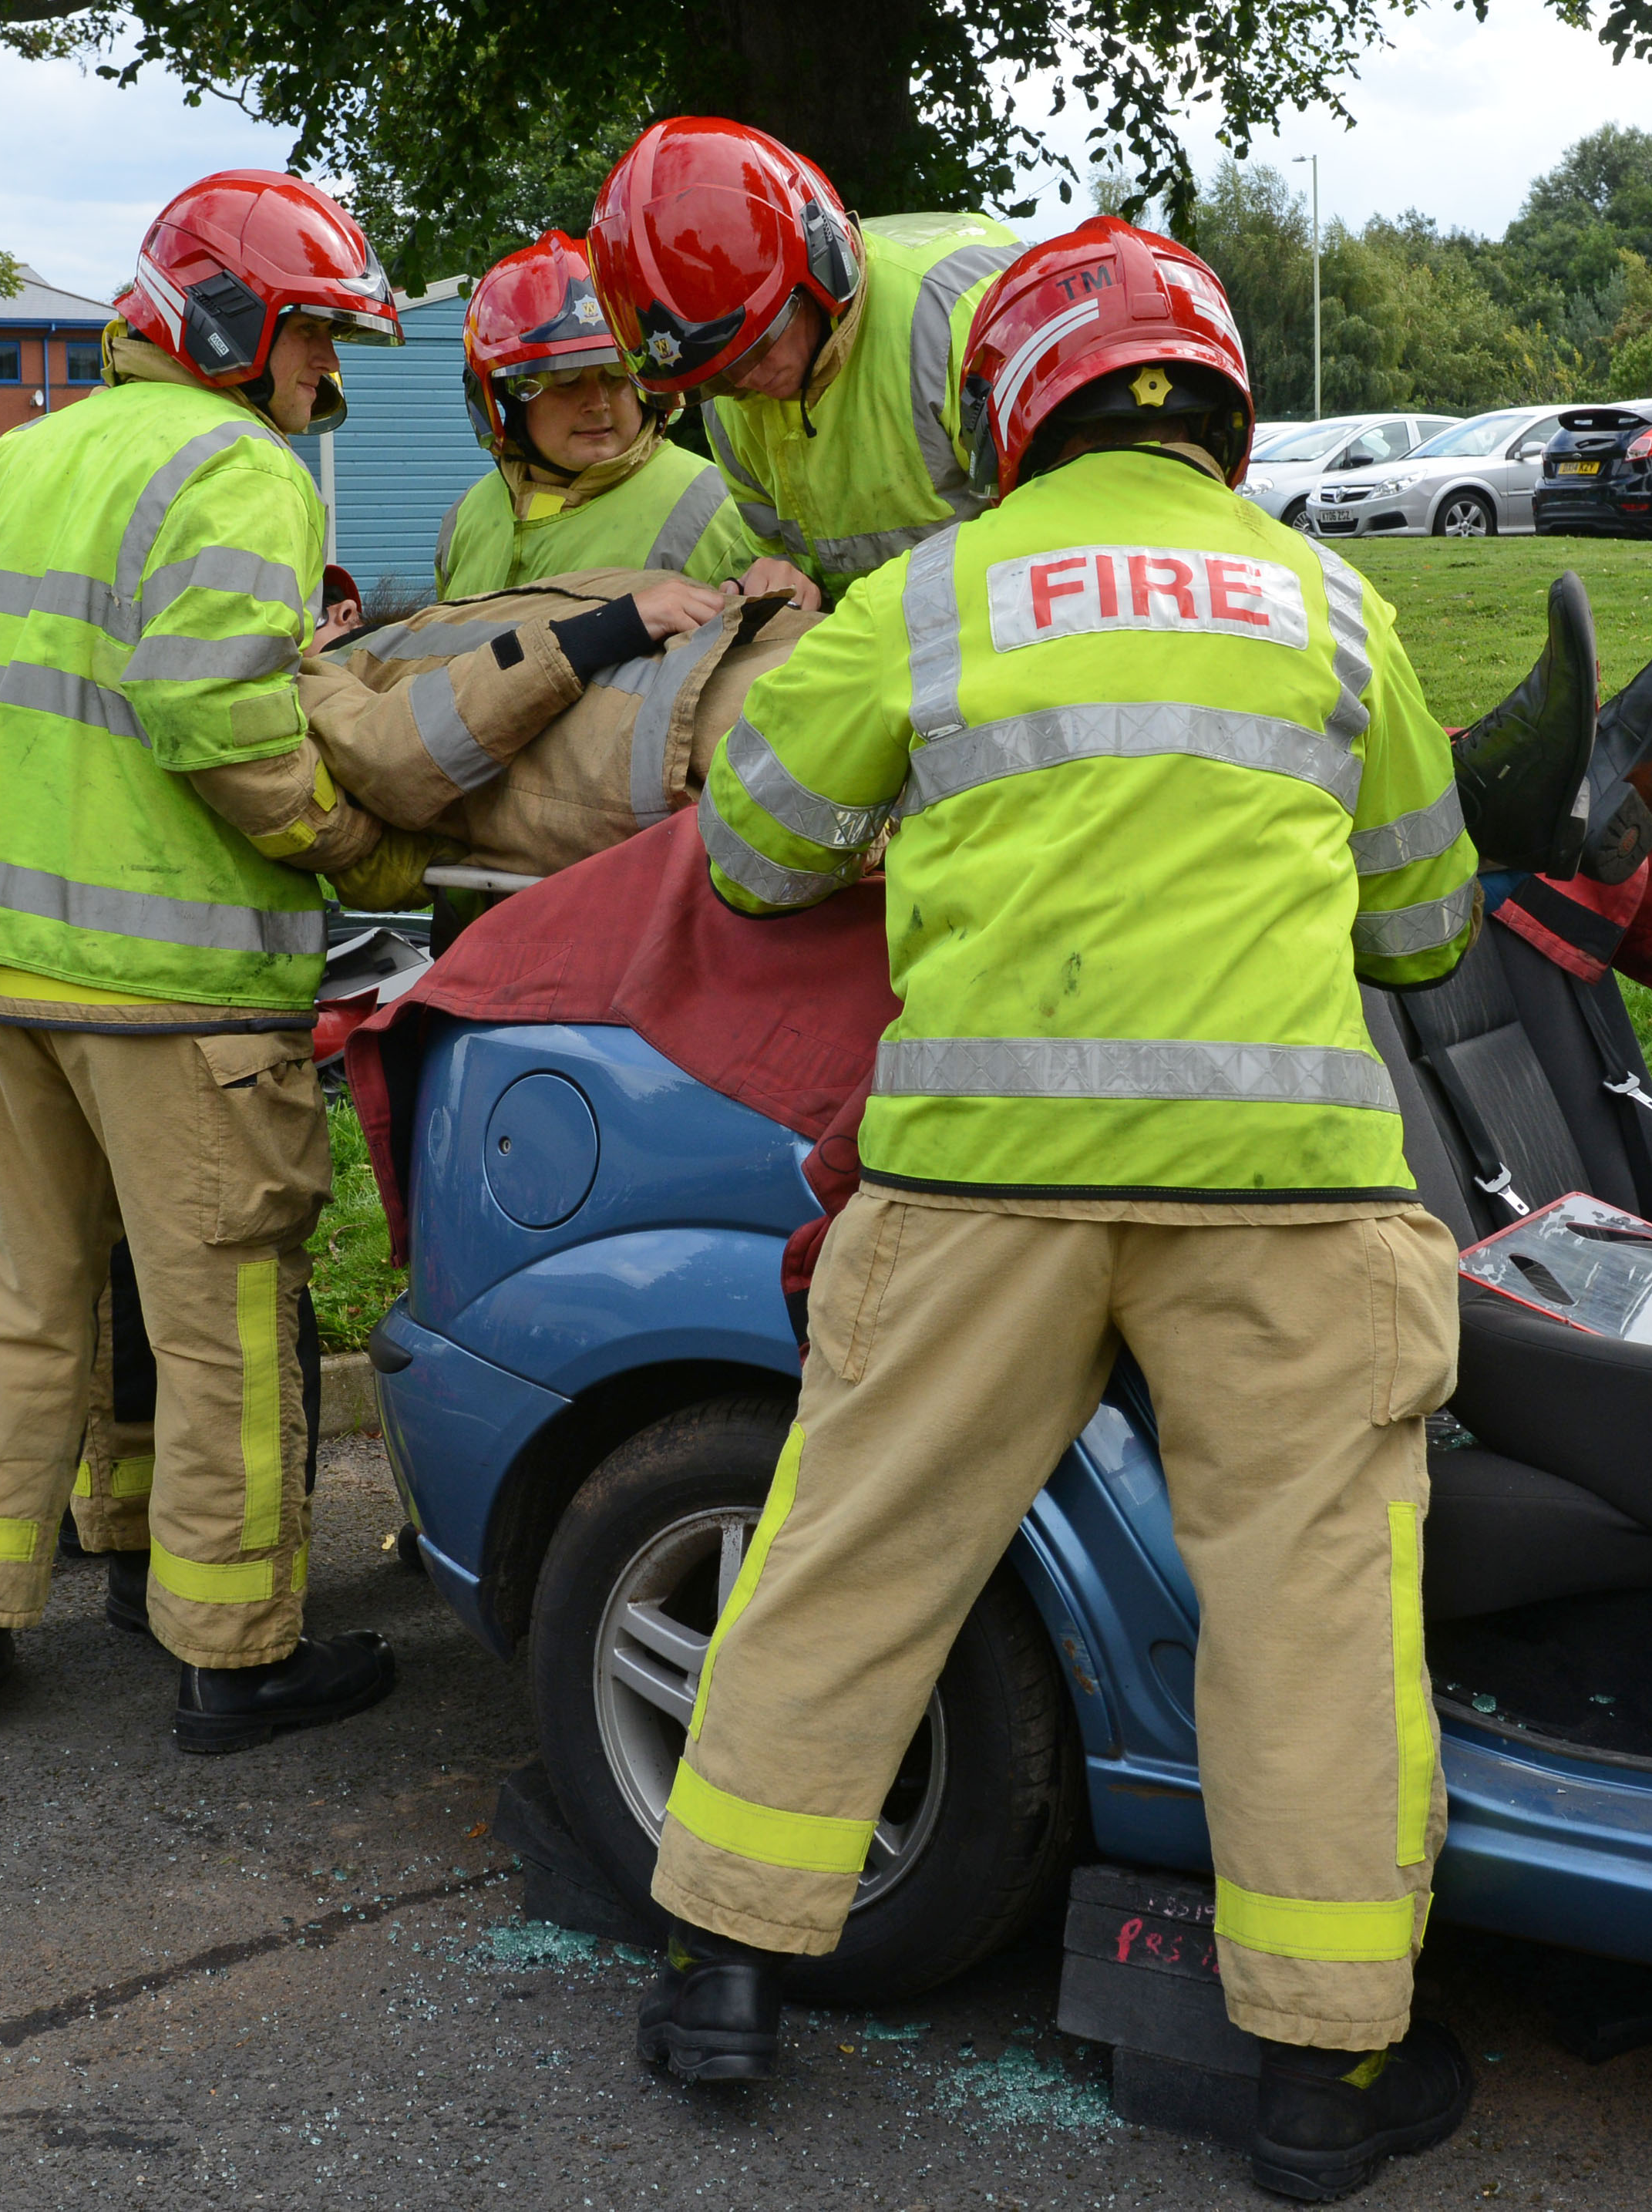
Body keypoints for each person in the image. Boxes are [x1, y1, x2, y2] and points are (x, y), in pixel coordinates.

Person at [626, 214, 1481, 2202]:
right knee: (1314, 1605)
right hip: (1282, 1199)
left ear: (1012, 410)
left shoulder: (932, 593)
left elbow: (749, 850)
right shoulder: (1336, 609)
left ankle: (724, 1976)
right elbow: (1425, 924)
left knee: (854, 1552)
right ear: (1222, 409)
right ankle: (1317, 2081)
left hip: (976, 1189)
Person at [0, 169, 435, 1751]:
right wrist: (373, 852)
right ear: (240, 328)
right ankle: (232, 1657)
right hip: (174, 992)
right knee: (226, 1319)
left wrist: (10, 794)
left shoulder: (18, 459)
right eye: (320, 340)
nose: (332, 377)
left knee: (24, 1298)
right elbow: (218, 721)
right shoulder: (240, 470)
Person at [585, 117, 1025, 601]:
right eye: (717, 378)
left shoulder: (956, 322)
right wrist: (780, 579)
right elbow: (778, 550)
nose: (746, 380)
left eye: (759, 345)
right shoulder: (727, 389)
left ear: (824, 268)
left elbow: (1063, 543)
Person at [433, 228, 818, 608]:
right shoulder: (467, 517)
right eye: (566, 380)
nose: (598, 402)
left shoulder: (714, 511)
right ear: (509, 399)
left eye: (618, 375)